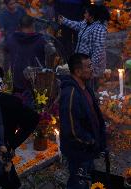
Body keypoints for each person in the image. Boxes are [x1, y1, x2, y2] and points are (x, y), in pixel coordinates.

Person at [59, 53, 107, 189]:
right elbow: (71, 130)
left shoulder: (86, 88)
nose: (92, 68)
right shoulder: (70, 94)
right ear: (78, 71)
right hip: (79, 152)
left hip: (88, 150)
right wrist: (91, 142)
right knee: (77, 183)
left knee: (87, 180)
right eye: (89, 66)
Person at [58, 4, 110, 90]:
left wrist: (91, 67)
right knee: (81, 85)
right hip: (82, 62)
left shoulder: (99, 28)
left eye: (86, 13)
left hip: (90, 66)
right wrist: (64, 20)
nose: (84, 14)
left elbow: (98, 49)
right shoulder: (86, 23)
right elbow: (77, 25)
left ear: (91, 16)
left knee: (89, 88)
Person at [5, 15, 46, 94]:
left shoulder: (11, 39)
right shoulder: (41, 40)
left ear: (20, 26)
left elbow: (6, 52)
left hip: (17, 80)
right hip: (36, 82)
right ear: (33, 25)